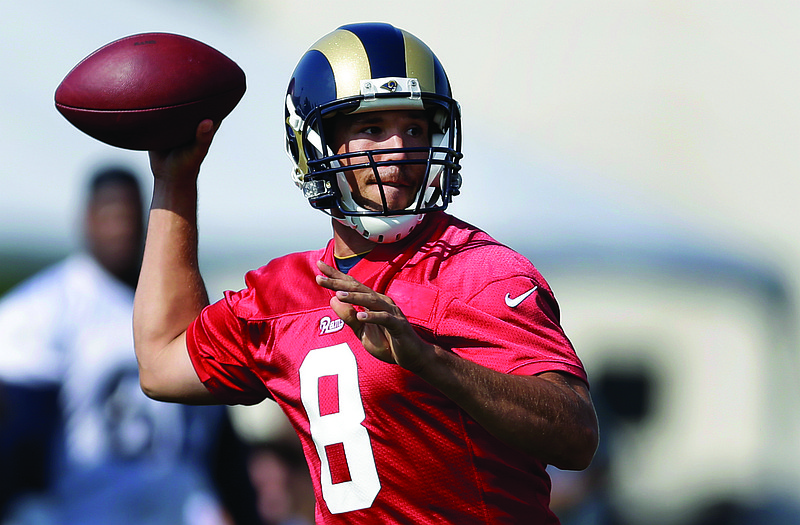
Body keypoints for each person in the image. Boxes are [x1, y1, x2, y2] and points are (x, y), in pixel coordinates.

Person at [133, 22, 599, 524]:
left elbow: (576, 436)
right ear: (317, 145)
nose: (398, 150)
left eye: (415, 129)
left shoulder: (480, 271)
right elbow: (161, 362)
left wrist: (429, 361)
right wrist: (175, 181)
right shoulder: (282, 294)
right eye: (371, 129)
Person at [0, 167, 256, 525]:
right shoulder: (38, 310)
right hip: (80, 512)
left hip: (179, 510)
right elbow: (19, 440)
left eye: (130, 214)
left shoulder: (184, 306)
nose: (121, 226)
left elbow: (219, 435)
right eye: (110, 214)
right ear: (86, 219)